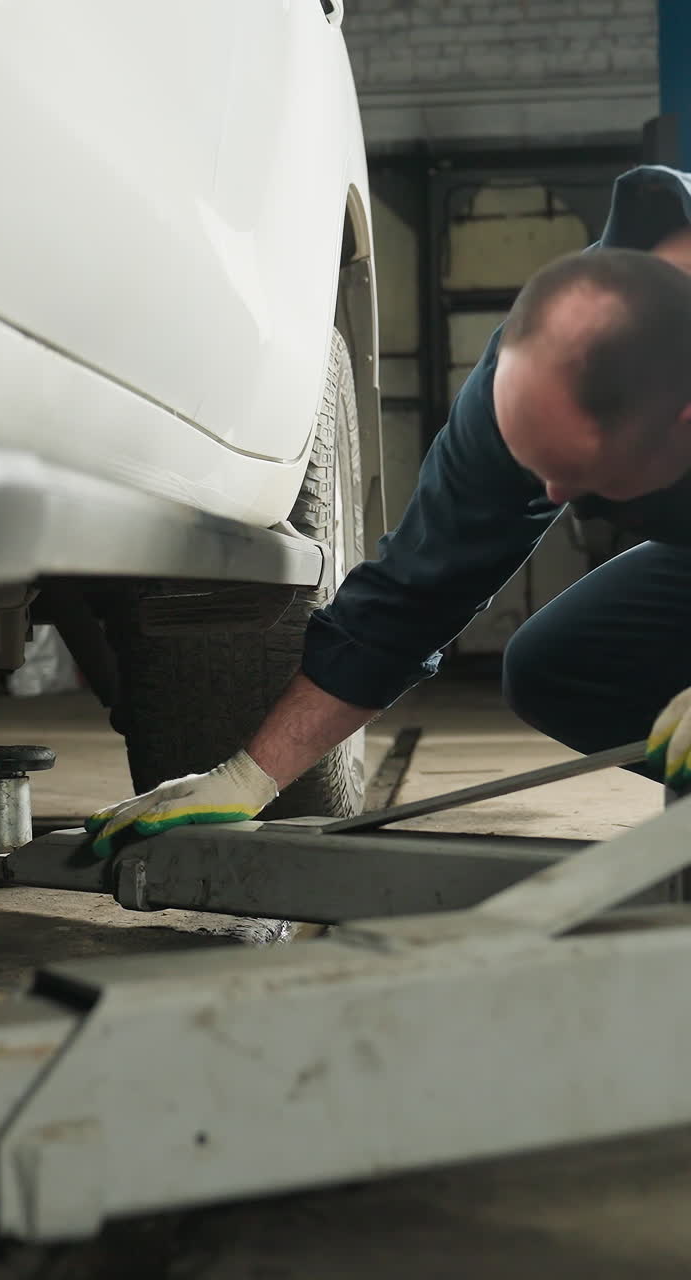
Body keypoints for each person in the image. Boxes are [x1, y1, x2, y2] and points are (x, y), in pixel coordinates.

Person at [87, 165, 691, 857]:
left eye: (584, 474)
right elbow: (413, 595)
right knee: (561, 666)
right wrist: (248, 776)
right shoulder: (534, 376)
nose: (556, 498)